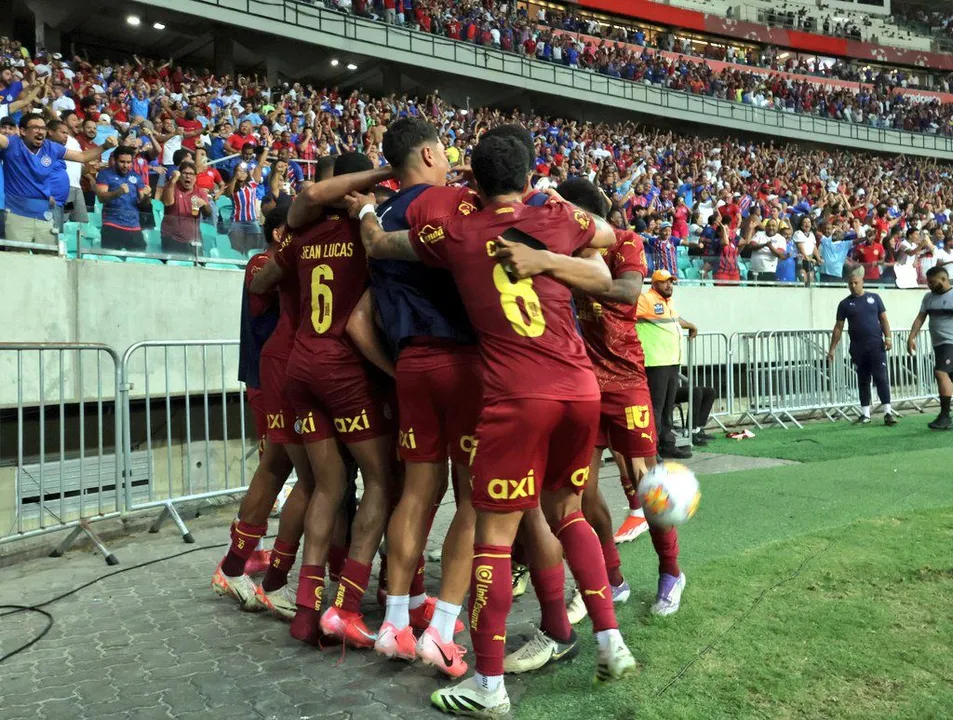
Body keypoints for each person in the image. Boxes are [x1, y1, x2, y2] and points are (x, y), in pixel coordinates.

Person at [350, 134, 636, 716]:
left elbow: (381, 245)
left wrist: (361, 208)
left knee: (495, 537)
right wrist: (558, 220)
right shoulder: (556, 215)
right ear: (531, 176)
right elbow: (607, 239)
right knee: (569, 511)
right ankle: (610, 636)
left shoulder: (457, 232)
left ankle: (486, 684)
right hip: (579, 387)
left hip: (515, 394)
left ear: (472, 183)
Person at [251, 154, 398, 648]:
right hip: (344, 371)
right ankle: (349, 605)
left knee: (326, 486)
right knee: (382, 479)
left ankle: (306, 609)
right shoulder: (366, 231)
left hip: (299, 369)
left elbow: (262, 280)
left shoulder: (301, 236)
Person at [359, 117, 483, 675]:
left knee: (416, 492)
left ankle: (393, 623)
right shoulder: (448, 202)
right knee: (476, 497)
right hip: (461, 360)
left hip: (410, 362)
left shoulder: (377, 212)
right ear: (431, 154)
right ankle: (441, 629)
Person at [212, 206, 316, 618]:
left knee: (279, 468)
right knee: (284, 469)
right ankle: (251, 568)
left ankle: (241, 561)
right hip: (268, 378)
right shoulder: (262, 262)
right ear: (279, 231)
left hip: (280, 373)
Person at [0, 112, 114, 245]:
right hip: (17, 215)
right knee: (18, 258)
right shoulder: (12, 144)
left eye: (43, 128)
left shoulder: (51, 147)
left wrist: (105, 146)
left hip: (44, 215)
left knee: (48, 258)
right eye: (35, 128)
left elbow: (82, 157)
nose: (40, 131)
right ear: (23, 131)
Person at [636, 270, 696, 459]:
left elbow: (675, 320)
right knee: (656, 407)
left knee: (667, 406)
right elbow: (626, 315)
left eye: (671, 282)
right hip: (655, 362)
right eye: (664, 282)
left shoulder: (668, 302)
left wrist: (691, 325)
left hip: (671, 362)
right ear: (654, 284)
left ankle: (667, 444)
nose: (669, 285)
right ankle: (651, 450)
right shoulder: (645, 299)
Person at [827, 270, 897, 425]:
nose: (853, 286)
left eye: (855, 282)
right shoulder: (844, 304)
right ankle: (865, 414)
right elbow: (838, 327)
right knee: (863, 379)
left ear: (862, 282)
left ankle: (888, 412)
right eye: (850, 283)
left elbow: (883, 319)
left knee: (881, 377)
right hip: (858, 348)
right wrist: (832, 348)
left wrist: (888, 338)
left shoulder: (874, 298)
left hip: (876, 346)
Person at [907, 265, 953, 431]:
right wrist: (912, 336)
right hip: (939, 344)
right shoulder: (928, 298)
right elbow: (920, 318)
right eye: (928, 282)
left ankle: (944, 416)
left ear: (943, 279)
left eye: (933, 282)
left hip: (951, 343)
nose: (930, 285)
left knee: (941, 372)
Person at [96, 145, 152, 251]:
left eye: (129, 162)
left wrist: (147, 197)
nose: (125, 165)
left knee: (139, 262)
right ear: (115, 160)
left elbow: (142, 204)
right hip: (112, 225)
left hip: (134, 226)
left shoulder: (137, 177)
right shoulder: (105, 174)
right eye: (122, 162)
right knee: (111, 261)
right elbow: (101, 198)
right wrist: (118, 192)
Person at [160, 161, 212, 254]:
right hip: (171, 238)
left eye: (191, 174)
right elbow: (167, 202)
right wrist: (172, 180)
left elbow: (208, 214)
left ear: (195, 177)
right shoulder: (171, 186)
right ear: (180, 175)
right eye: (185, 173)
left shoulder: (199, 192)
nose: (188, 176)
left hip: (193, 239)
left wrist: (204, 205)